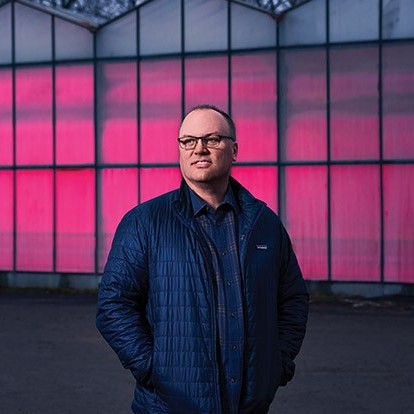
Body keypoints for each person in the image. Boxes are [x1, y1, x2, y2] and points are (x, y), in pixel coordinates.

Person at [96, 104, 309, 414]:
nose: (199, 149)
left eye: (212, 138)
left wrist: (277, 364)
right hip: (168, 406)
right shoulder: (146, 222)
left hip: (248, 406)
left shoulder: (265, 223)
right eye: (188, 140)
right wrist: (153, 369)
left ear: (234, 150)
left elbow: (293, 299)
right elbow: (114, 304)